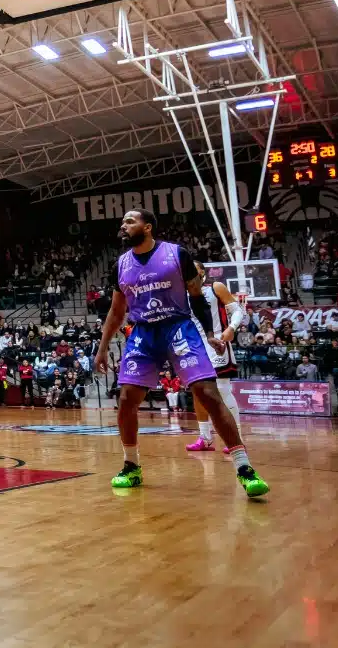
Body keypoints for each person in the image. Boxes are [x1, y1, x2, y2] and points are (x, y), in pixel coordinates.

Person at [94, 210, 269, 498]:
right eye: (122, 222)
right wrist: (103, 348)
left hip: (178, 327)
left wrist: (212, 334)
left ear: (147, 227)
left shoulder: (177, 254)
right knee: (126, 400)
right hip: (143, 332)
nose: (123, 226)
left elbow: (197, 297)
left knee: (209, 393)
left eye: (130, 221)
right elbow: (116, 311)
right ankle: (131, 466)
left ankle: (245, 468)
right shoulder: (120, 265)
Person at [188, 278, 248, 452]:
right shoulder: (181, 292)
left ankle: (238, 439)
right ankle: (205, 438)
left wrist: (231, 328)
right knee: (198, 391)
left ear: (202, 274)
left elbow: (237, 310)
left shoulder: (215, 288)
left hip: (217, 340)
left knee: (222, 389)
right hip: (194, 345)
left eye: (196, 271)